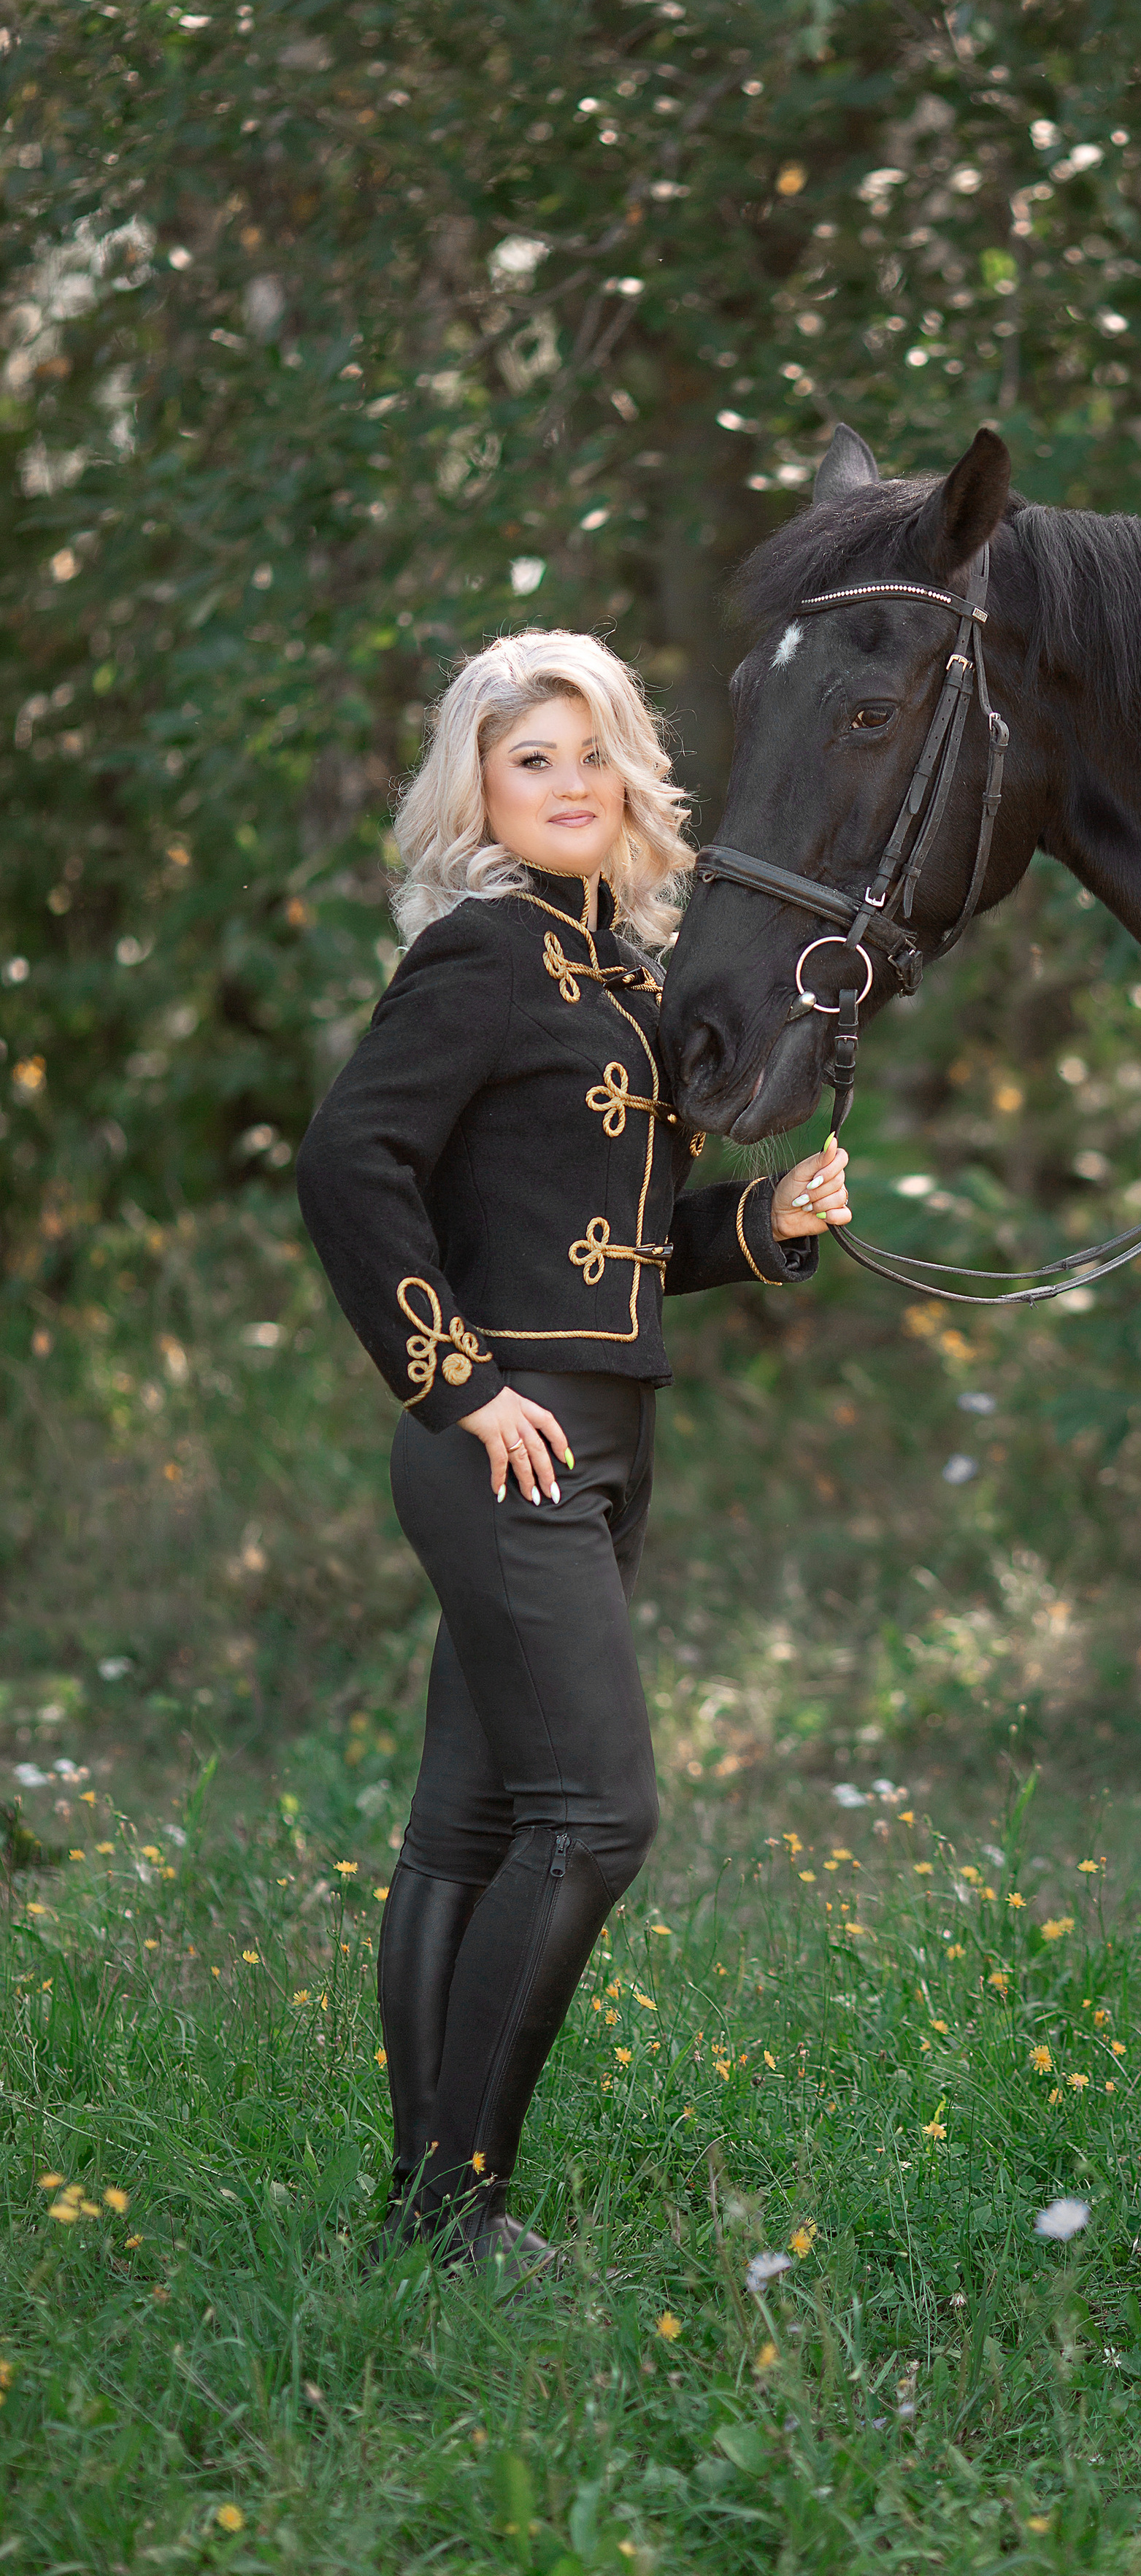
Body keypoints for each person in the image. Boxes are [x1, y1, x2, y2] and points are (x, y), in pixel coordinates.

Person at [296, 630, 849, 2285]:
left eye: (589, 753)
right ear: (477, 784)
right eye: (528, 757)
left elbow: (589, 1240)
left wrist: (757, 1225)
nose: (566, 784)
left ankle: (426, 2213)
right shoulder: (476, 954)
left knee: (470, 1822)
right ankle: (462, 2202)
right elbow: (350, 1165)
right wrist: (454, 1385)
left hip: (606, 1432)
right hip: (507, 1443)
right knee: (597, 1816)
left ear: (629, 781)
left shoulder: (612, 975)